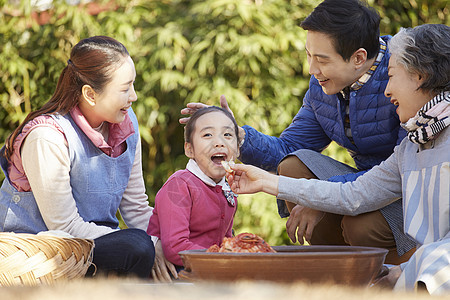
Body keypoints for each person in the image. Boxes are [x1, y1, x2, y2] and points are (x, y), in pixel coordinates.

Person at [180, 0, 415, 264]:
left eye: (321, 60)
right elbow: (287, 150)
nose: (312, 70)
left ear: (359, 58)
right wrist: (238, 136)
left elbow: (399, 174)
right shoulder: (322, 88)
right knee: (293, 165)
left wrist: (318, 200)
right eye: (308, 55)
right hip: (358, 187)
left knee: (361, 226)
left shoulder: (405, 74)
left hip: (406, 190)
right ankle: (338, 270)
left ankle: (401, 271)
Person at [226, 24, 450, 295]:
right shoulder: (414, 143)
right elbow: (354, 194)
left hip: (424, 244)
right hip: (422, 248)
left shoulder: (421, 133)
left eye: (393, 77)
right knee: (295, 167)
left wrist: (409, 272)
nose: (388, 90)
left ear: (419, 76)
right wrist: (263, 175)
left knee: (378, 237)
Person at [0, 36, 176, 281]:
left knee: (173, 252)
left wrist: (172, 245)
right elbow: (65, 228)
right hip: (44, 254)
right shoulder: (47, 137)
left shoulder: (126, 122)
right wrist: (151, 243)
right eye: (125, 89)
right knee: (137, 246)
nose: (134, 96)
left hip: (94, 247)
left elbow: (136, 208)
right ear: (90, 94)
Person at [148, 106, 239, 268]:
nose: (219, 142)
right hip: (176, 270)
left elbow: (225, 239)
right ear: (189, 149)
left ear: (237, 149)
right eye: (207, 135)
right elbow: (175, 247)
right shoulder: (179, 185)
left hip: (210, 266)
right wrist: (222, 259)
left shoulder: (228, 188)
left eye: (227, 135)